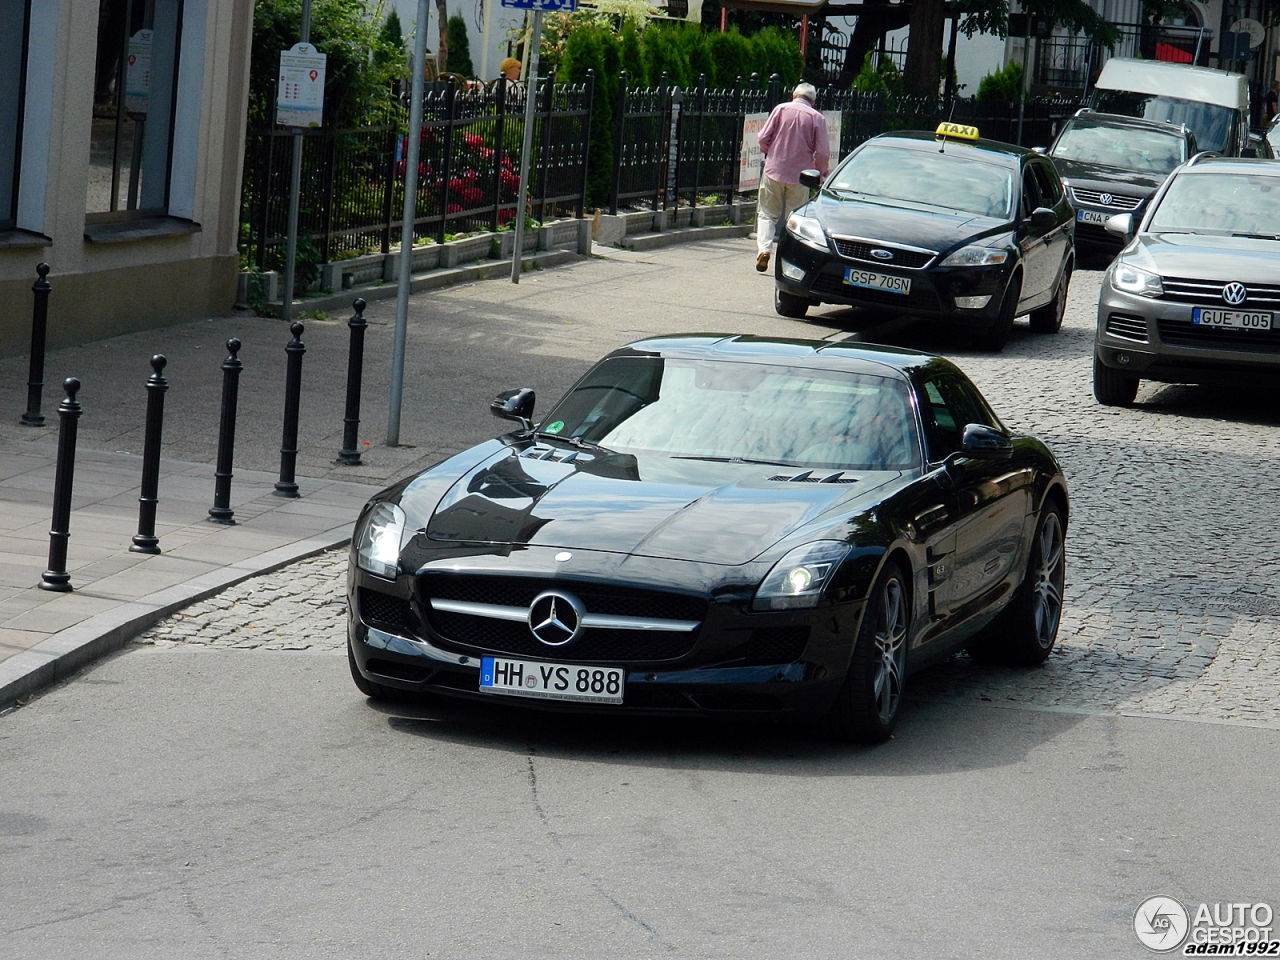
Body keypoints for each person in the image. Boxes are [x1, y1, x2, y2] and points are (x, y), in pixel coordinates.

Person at [754, 82, 830, 273]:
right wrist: (820, 173)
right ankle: (787, 257)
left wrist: (769, 151)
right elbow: (822, 152)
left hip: (774, 170)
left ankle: (764, 250)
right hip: (801, 176)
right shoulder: (816, 118)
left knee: (766, 213)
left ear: (793, 95)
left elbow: (763, 137)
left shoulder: (780, 109)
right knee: (794, 218)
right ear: (813, 101)